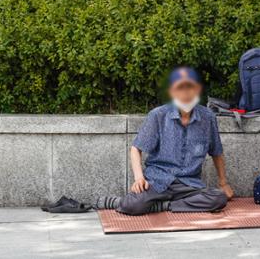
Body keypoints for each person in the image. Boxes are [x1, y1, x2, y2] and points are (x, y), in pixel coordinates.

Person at [96, 67, 234, 215]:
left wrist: (223, 183)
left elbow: (216, 152)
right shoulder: (158, 115)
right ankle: (120, 202)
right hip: (158, 180)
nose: (186, 93)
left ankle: (165, 206)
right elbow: (136, 148)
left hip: (189, 185)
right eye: (180, 88)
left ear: (198, 90)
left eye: (190, 87)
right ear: (172, 92)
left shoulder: (208, 118)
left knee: (218, 198)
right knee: (134, 206)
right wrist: (139, 178)